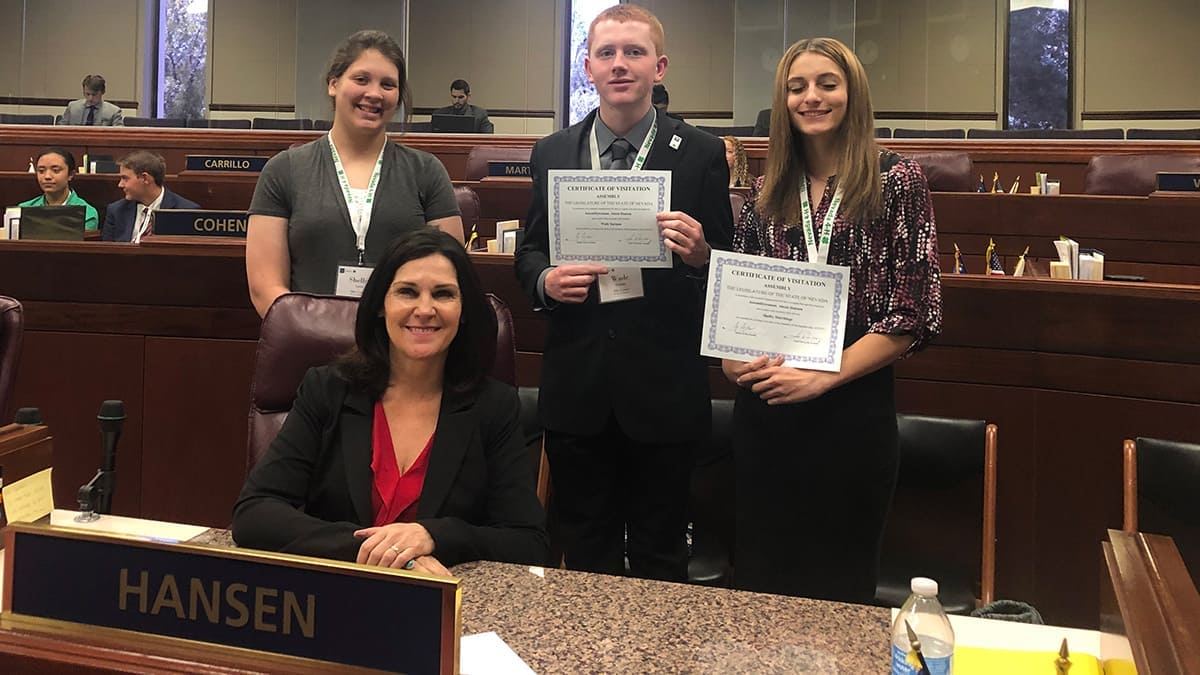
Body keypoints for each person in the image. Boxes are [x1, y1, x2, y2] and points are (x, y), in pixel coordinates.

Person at [513, 4, 732, 582]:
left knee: (662, 551)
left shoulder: (704, 154)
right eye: (607, 53)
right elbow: (530, 252)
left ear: (659, 67)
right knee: (584, 550)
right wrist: (545, 281)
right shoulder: (553, 153)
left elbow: (726, 273)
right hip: (577, 385)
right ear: (587, 67)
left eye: (633, 52)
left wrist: (702, 254)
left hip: (664, 387)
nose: (619, 64)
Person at [726, 37, 942, 603]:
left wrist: (825, 376)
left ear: (853, 93)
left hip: (850, 411)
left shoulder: (896, 180)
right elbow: (738, 305)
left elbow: (913, 310)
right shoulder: (764, 190)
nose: (811, 97)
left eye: (827, 83)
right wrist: (733, 358)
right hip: (766, 411)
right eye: (797, 87)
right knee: (756, 587)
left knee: (837, 592)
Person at [233, 228, 548, 573]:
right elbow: (255, 513)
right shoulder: (327, 390)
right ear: (381, 306)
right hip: (331, 595)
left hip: (446, 605)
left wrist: (434, 535)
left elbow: (527, 542)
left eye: (443, 294)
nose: (424, 309)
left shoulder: (493, 406)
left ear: (464, 311)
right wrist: (385, 554)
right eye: (407, 292)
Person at [246, 30, 464, 317]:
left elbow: (450, 279)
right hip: (308, 342)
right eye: (361, 79)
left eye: (388, 84)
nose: (374, 94)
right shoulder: (283, 171)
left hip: (402, 347)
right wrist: (318, 329)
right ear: (333, 84)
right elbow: (265, 288)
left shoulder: (427, 171)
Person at [102, 151, 199, 242]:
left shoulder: (186, 212)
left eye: (125, 178)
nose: (120, 185)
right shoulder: (116, 211)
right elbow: (106, 254)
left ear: (145, 178)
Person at [18, 147, 99, 231]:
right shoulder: (23, 209)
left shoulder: (88, 214)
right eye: (41, 171)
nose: (47, 176)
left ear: (71, 174)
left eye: (55, 170)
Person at [60, 75, 124, 126]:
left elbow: (119, 135)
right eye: (87, 94)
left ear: (103, 92)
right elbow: (60, 130)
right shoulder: (72, 107)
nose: (90, 98)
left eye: (94, 95)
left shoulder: (114, 112)